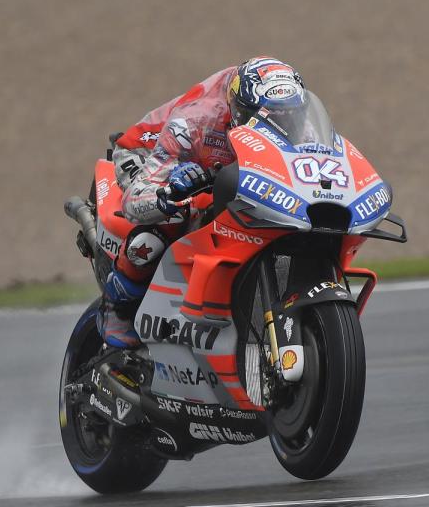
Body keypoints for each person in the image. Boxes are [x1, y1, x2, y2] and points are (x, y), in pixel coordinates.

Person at [99, 57, 308, 348]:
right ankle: (117, 305)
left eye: (289, 116)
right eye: (269, 118)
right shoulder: (196, 123)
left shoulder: (301, 129)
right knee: (171, 218)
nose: (280, 125)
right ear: (239, 111)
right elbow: (136, 200)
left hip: (214, 166)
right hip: (148, 154)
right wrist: (170, 192)